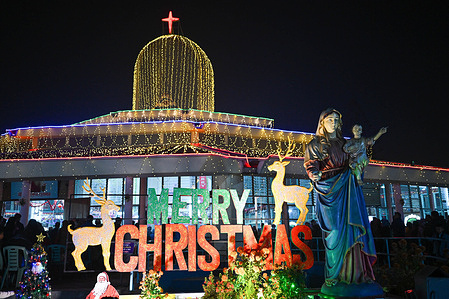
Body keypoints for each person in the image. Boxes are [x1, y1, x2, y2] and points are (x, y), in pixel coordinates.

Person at [304, 108, 382, 296]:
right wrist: (314, 173)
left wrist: (359, 163)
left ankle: (356, 275)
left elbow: (356, 159)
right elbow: (310, 164)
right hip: (329, 190)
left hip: (348, 188)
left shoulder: (345, 143)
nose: (334, 122)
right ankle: (334, 277)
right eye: (330, 119)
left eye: (337, 119)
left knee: (353, 229)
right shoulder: (315, 144)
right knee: (336, 232)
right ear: (322, 123)